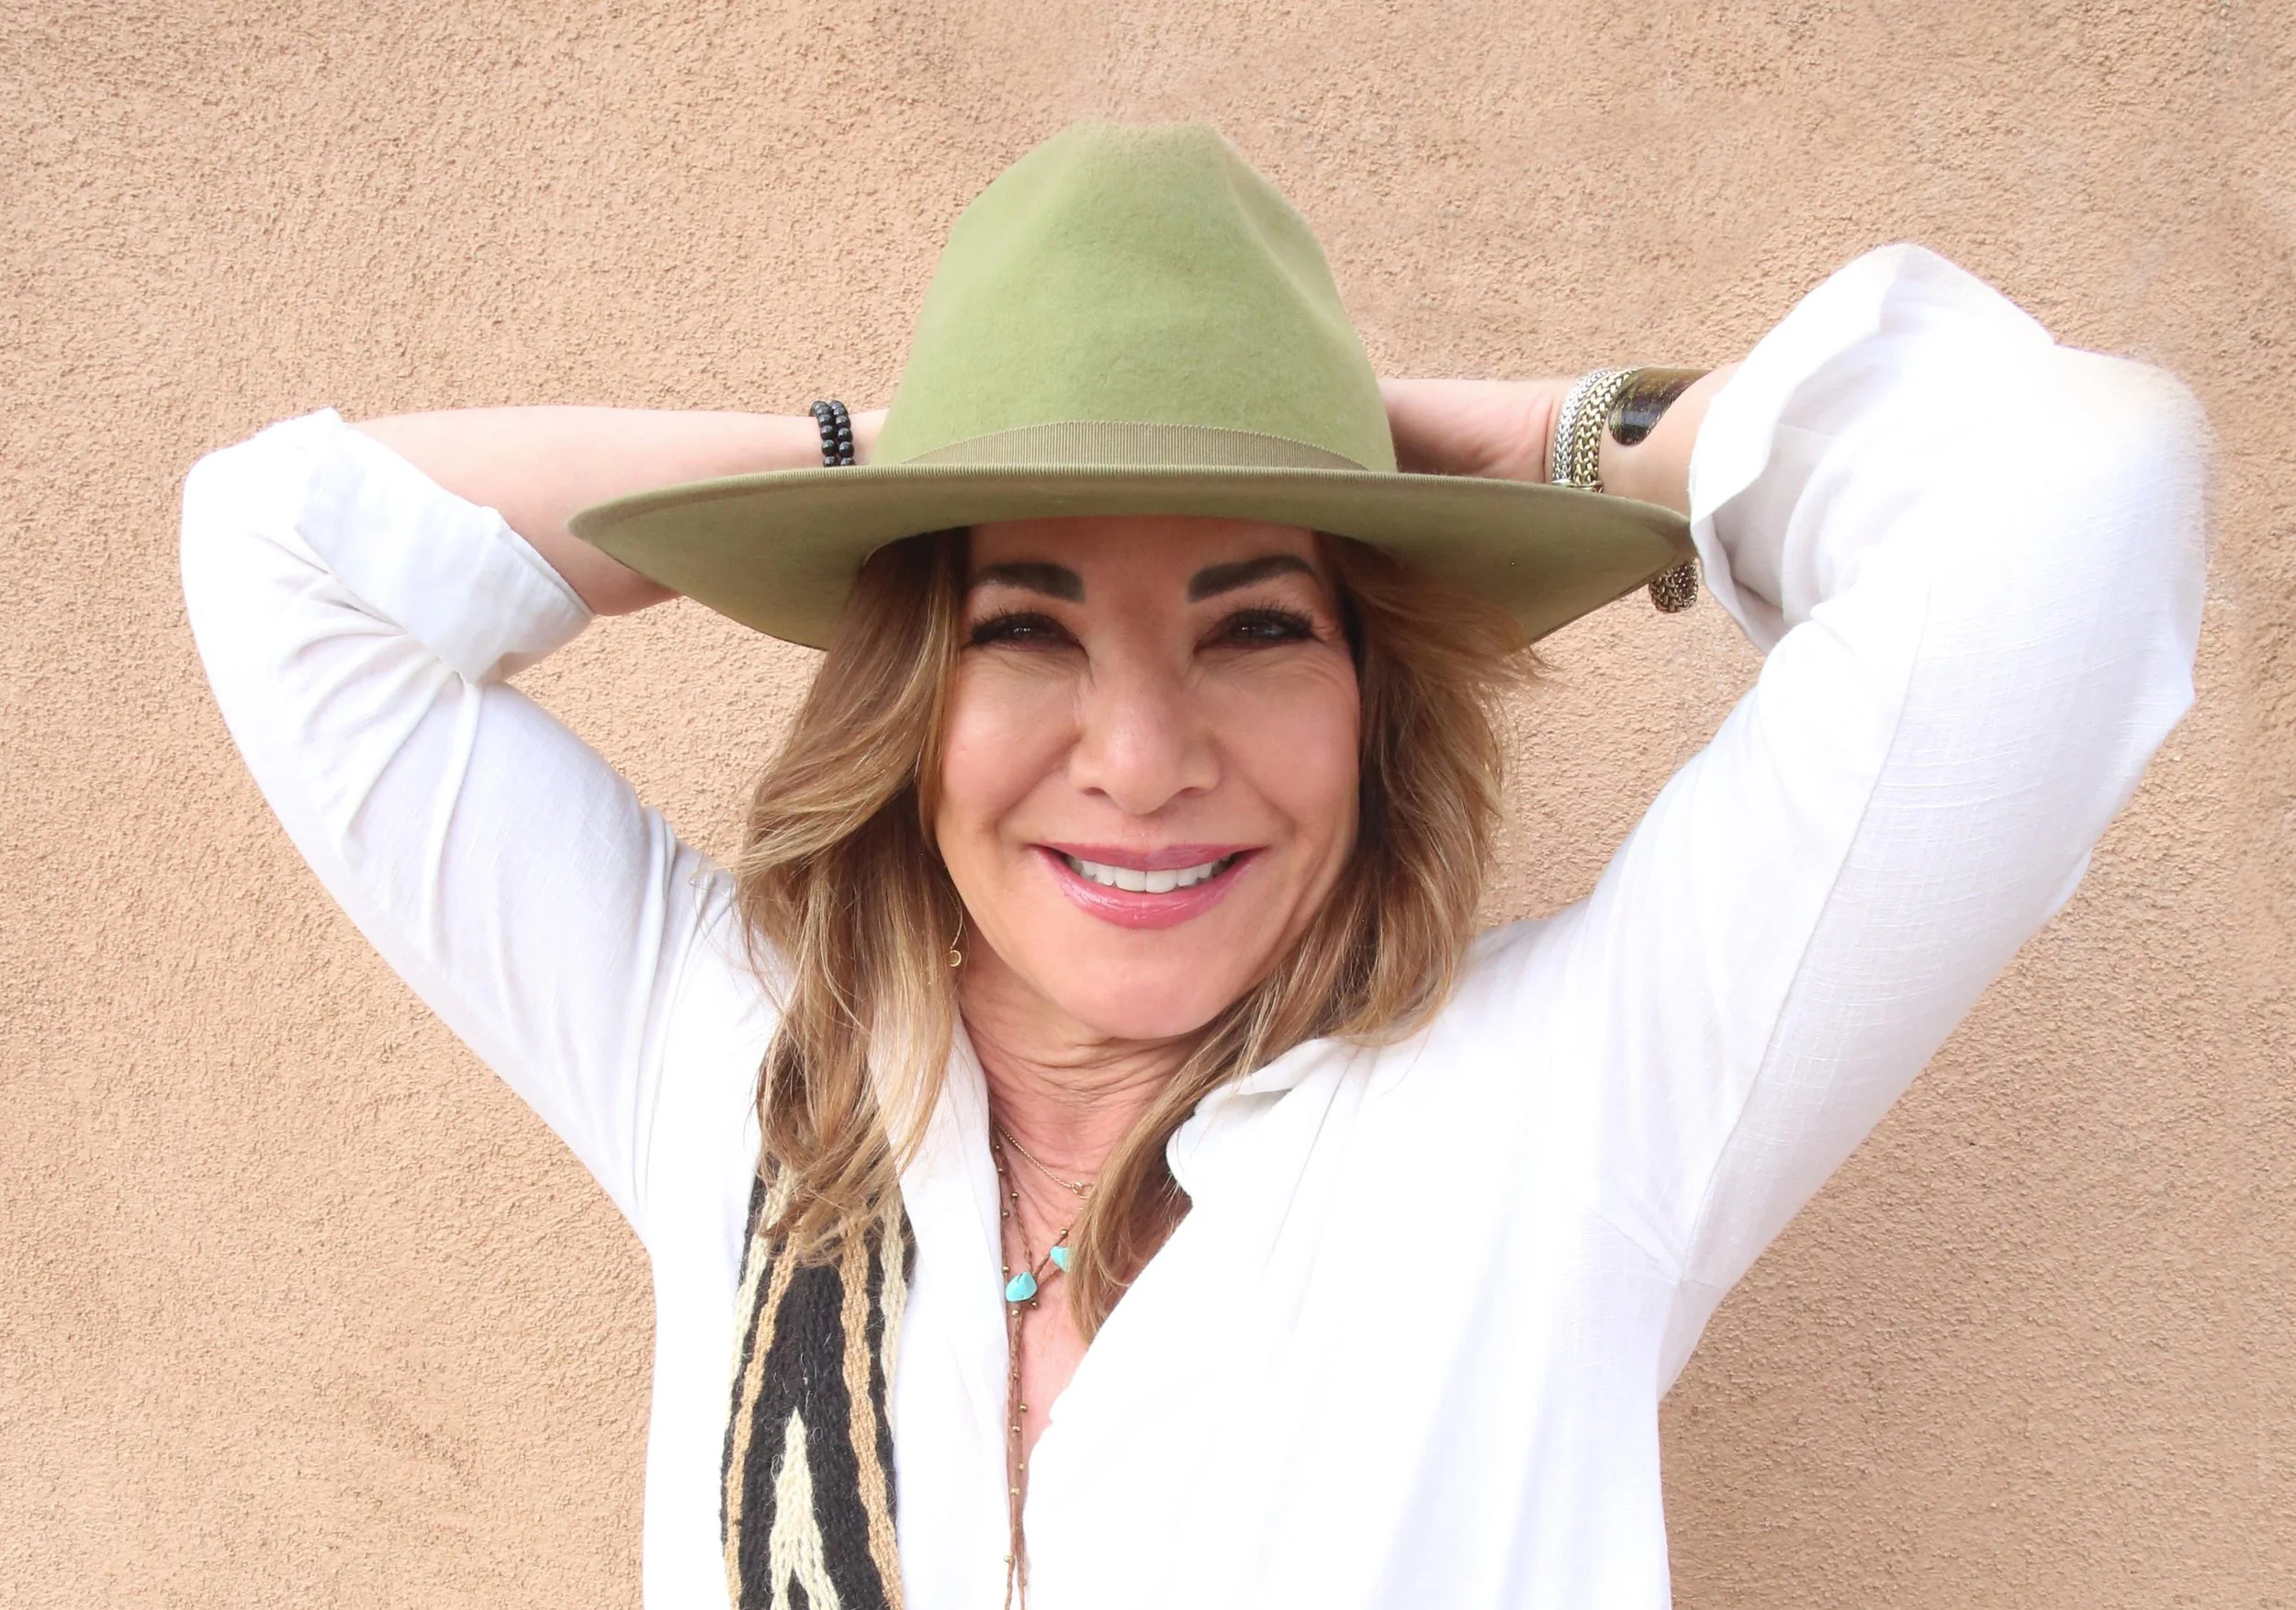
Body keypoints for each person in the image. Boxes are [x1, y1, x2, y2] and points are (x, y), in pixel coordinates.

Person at [179, 122, 2206, 1610]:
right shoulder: (730, 1075)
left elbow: (2068, 495)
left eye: (1253, 624)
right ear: (908, 695)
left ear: (1367, 704)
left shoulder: (1561, 1113)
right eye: (1023, 623)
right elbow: (282, 552)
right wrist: (886, 463)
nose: (1140, 762)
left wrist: (1533, 448)